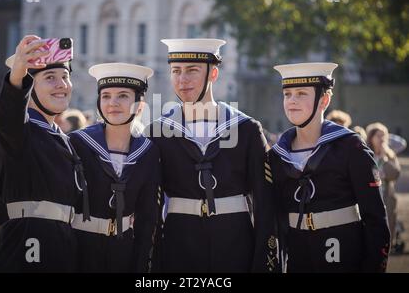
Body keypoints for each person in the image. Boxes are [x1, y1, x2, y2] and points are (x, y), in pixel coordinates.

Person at [146, 38, 278, 272]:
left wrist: (264, 263)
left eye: (192, 71)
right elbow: (149, 207)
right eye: (176, 71)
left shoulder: (246, 129)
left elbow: (265, 204)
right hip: (179, 247)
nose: (182, 79)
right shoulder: (158, 132)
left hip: (236, 245)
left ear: (213, 74)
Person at [0, 35, 89, 272]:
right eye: (49, 78)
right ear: (28, 88)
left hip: (63, 244)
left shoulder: (62, 138)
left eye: (65, 77)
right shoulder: (17, 132)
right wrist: (17, 76)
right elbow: (9, 116)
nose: (61, 85)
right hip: (29, 244)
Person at [269, 62, 390, 272]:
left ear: (324, 99)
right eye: (287, 94)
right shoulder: (277, 155)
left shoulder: (350, 147)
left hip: (345, 257)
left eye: (301, 93)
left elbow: (376, 219)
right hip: (298, 260)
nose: (292, 101)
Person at [69, 63, 161, 272]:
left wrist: (140, 266)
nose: (113, 103)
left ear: (139, 106)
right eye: (106, 96)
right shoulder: (78, 143)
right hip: (81, 248)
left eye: (123, 96)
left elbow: (147, 218)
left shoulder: (148, 151)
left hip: (124, 252)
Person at [366, 122, 401, 250]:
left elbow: (396, 173)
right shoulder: (366, 153)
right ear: (371, 137)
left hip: (387, 198)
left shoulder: (389, 155)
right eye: (378, 136)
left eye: (384, 136)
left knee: (387, 231)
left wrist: (384, 160)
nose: (382, 139)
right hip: (370, 199)